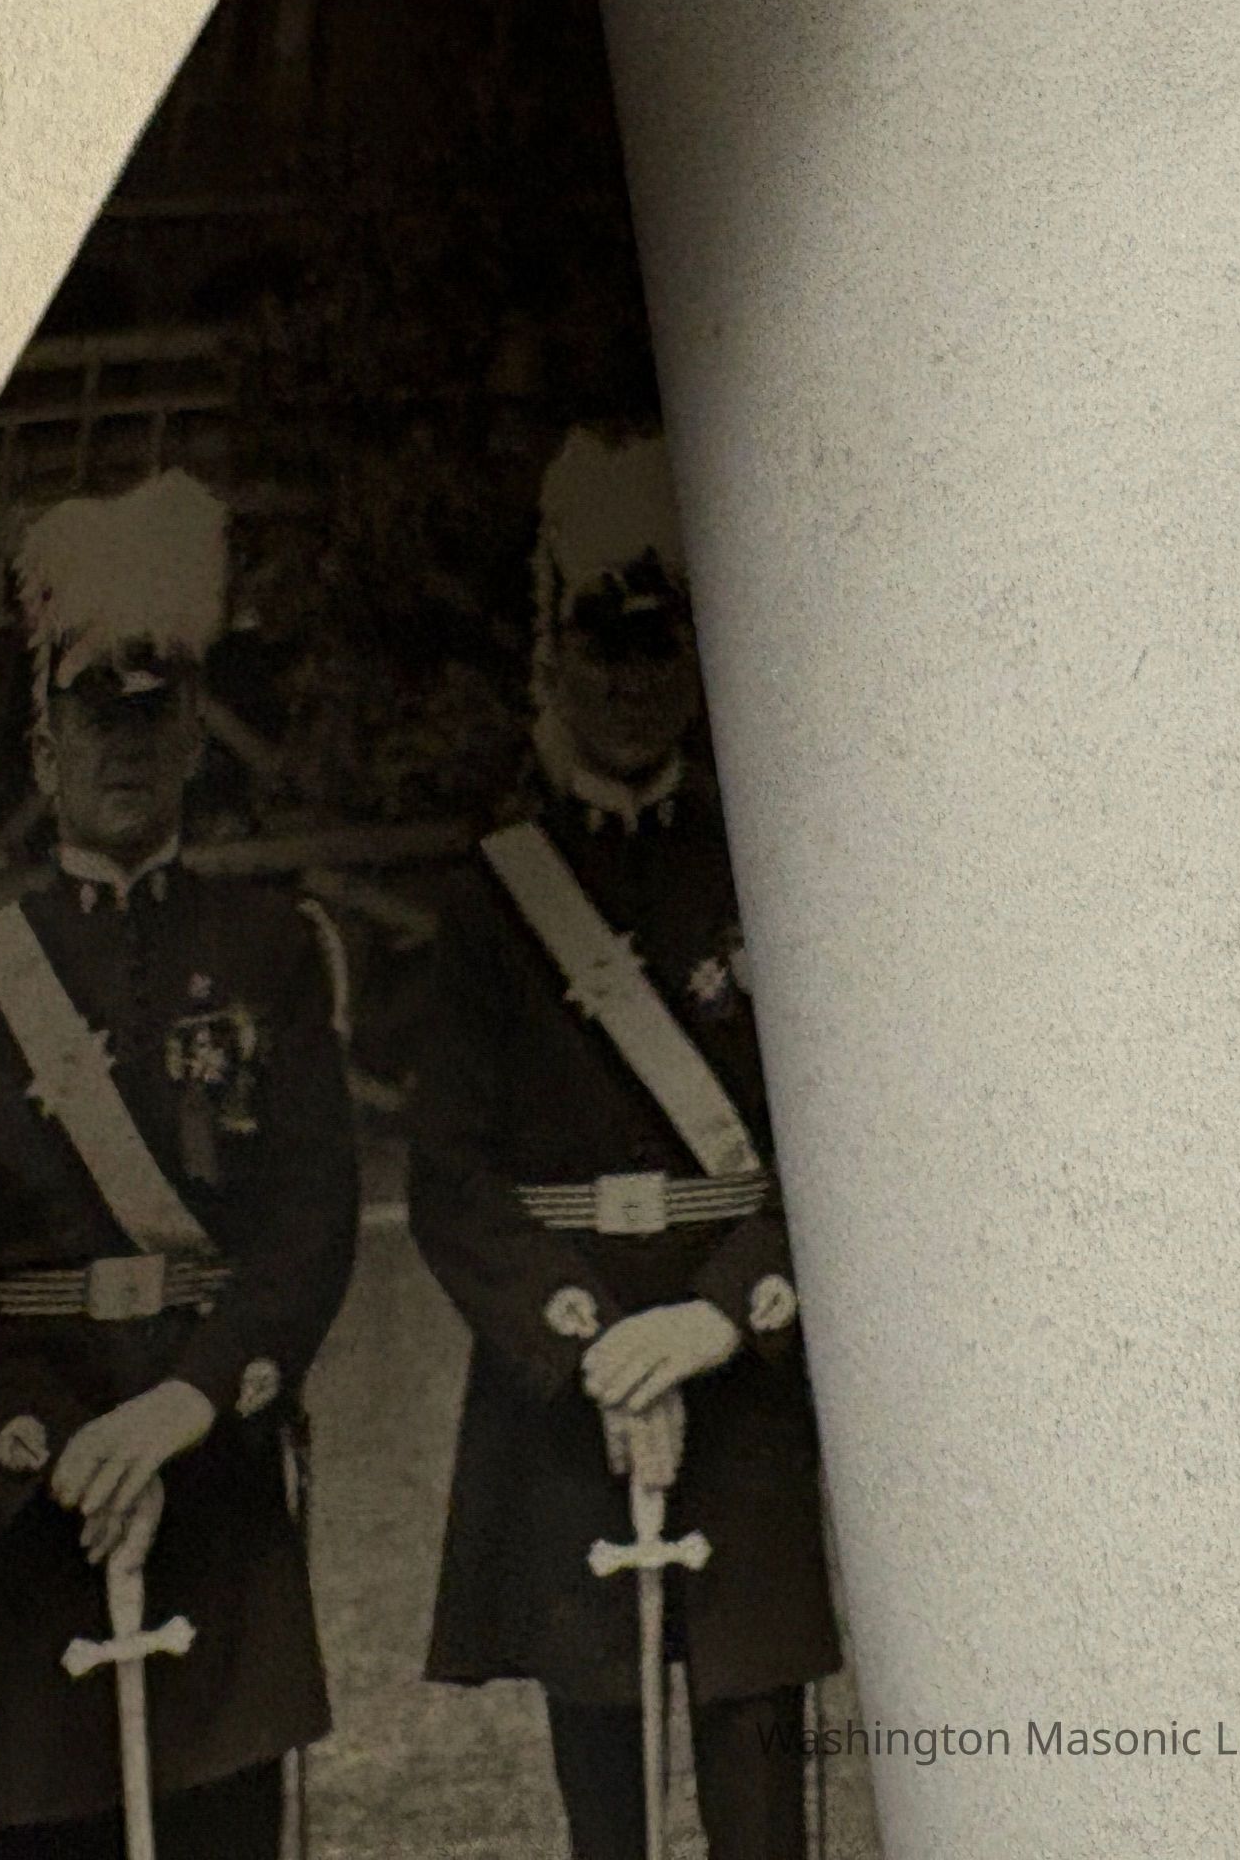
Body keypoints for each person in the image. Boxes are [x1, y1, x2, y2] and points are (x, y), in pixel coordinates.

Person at [0, 469, 359, 1859]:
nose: (123, 742)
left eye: (154, 709)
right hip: (29, 1514)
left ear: (192, 731)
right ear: (44, 737)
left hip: (210, 1474)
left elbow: (310, 1224)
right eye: (93, 711)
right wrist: (56, 1450)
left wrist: (190, 1401)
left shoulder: (268, 954)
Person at [409, 425, 841, 1860]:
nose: (636, 675)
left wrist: (723, 1317)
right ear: (556, 650)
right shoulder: (492, 900)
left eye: (662, 642)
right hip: (567, 1389)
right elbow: (450, 1179)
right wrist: (590, 1340)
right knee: (611, 1820)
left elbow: (839, 1151)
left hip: (741, 1380)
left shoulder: (767, 869)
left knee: (763, 1810)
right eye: (606, 640)